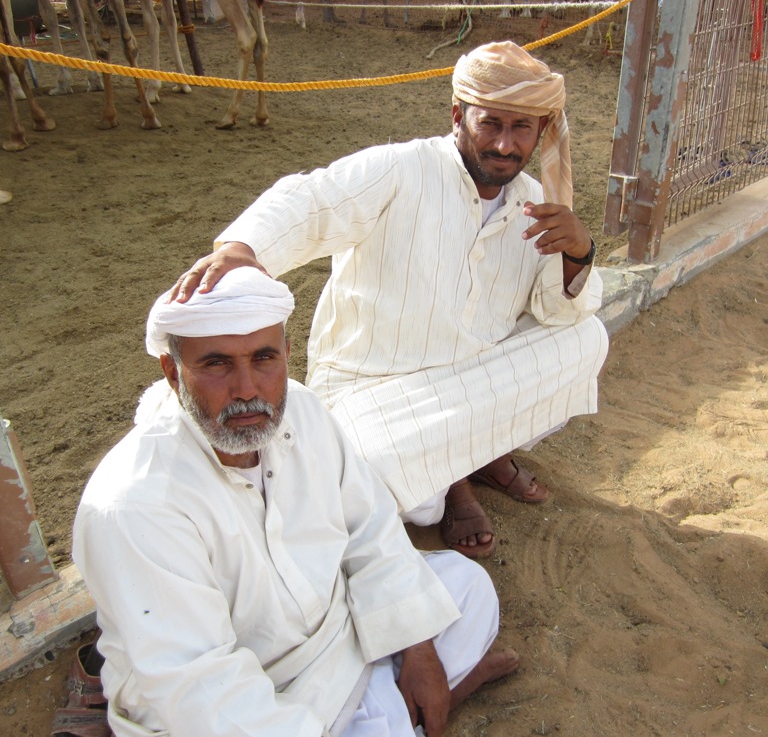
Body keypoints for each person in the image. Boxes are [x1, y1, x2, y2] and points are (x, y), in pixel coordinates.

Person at [170, 40, 610, 559]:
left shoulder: (539, 204)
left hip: (469, 381)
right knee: (403, 497)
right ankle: (461, 472)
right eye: (490, 123)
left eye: (522, 129)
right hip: (375, 388)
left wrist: (580, 252)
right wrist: (244, 248)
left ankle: (477, 455)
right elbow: (313, 198)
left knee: (586, 338)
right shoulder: (401, 169)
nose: (505, 145)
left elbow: (558, 310)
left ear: (541, 132)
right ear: (457, 116)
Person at [72, 267, 518, 737]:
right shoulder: (136, 503)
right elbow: (200, 691)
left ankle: (402, 706)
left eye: (264, 358)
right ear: (172, 373)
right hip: (254, 690)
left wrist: (418, 647)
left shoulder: (301, 410)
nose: (246, 389)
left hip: (336, 633)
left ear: (287, 354)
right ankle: (413, 709)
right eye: (217, 364)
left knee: (468, 588)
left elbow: (371, 528)